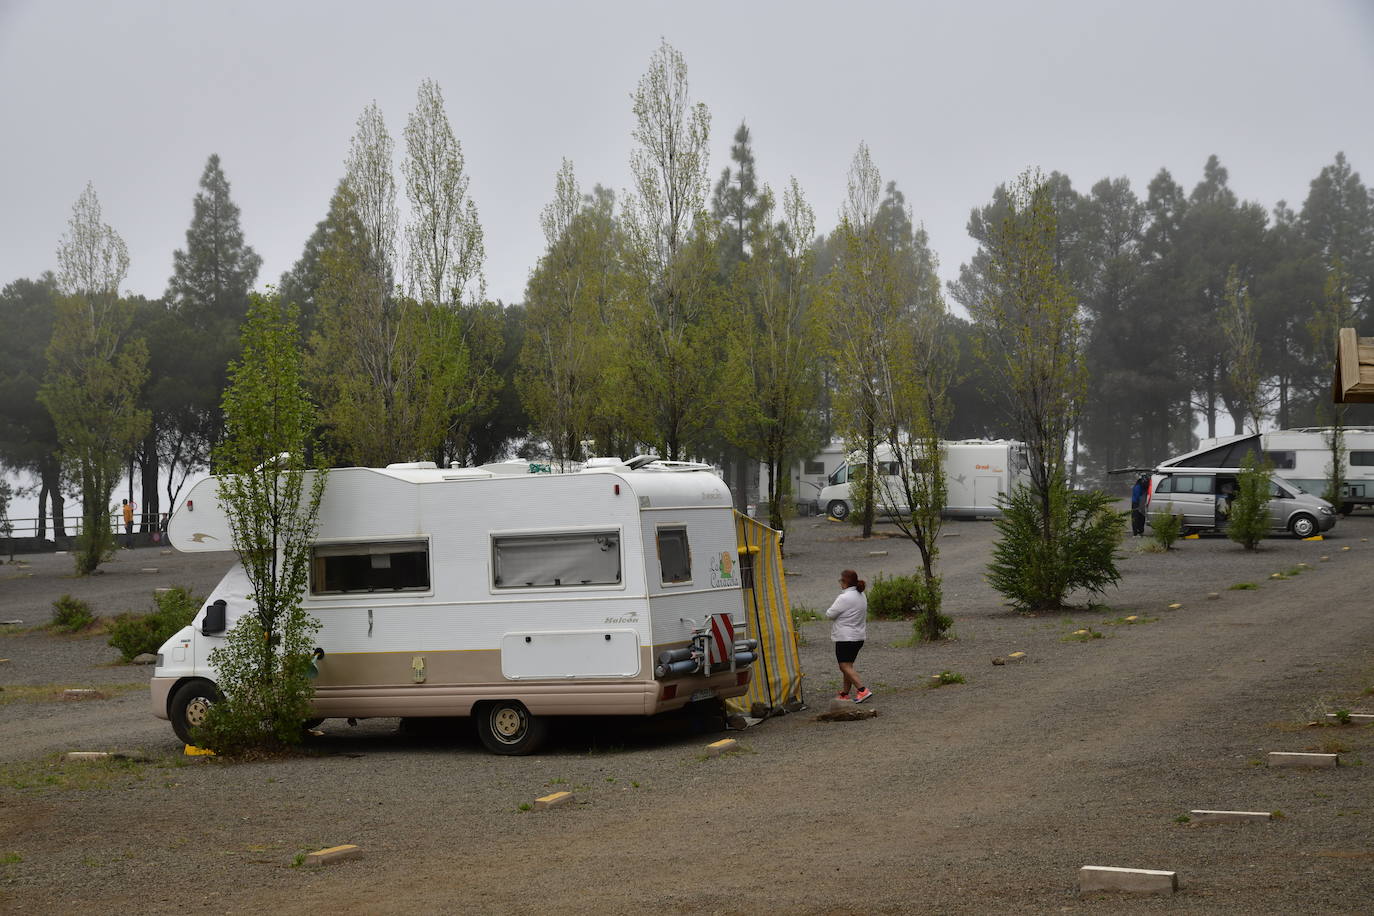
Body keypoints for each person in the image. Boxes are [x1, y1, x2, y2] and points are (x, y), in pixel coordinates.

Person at [825, 569, 871, 703]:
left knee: (843, 666)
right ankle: (845, 693)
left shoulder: (844, 597)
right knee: (848, 666)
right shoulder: (861, 595)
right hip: (858, 636)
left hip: (845, 637)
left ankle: (862, 690)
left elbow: (830, 614)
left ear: (845, 582)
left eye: (840, 580)